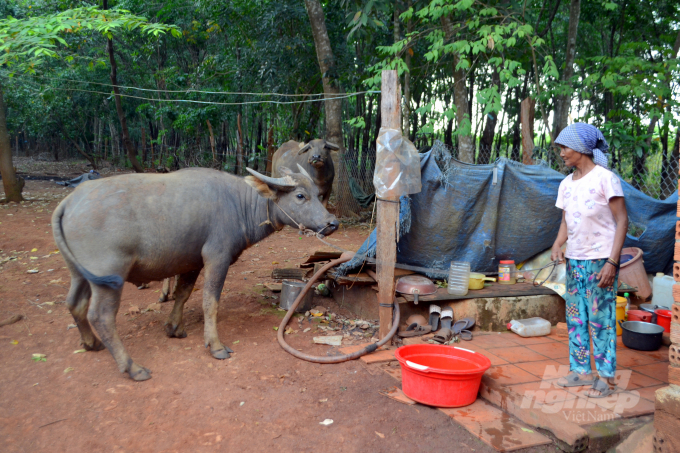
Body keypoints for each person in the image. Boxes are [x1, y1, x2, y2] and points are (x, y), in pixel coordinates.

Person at [551, 123, 628, 398]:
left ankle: (606, 379)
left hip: (600, 261)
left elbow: (622, 221)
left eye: (565, 147)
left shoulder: (605, 178)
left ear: (582, 149)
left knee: (601, 319)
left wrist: (612, 262)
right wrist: (558, 244)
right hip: (575, 260)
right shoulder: (565, 184)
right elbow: (565, 221)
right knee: (576, 318)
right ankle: (581, 371)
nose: (561, 153)